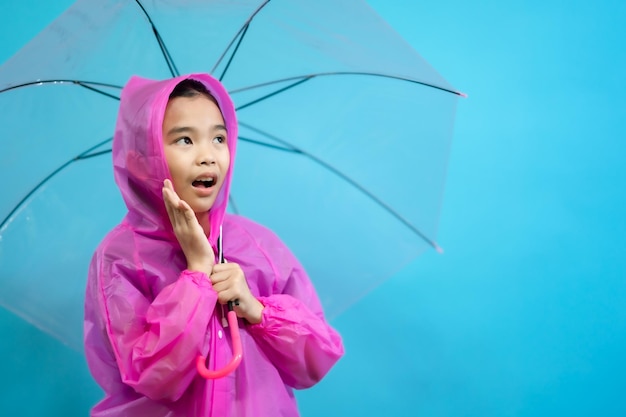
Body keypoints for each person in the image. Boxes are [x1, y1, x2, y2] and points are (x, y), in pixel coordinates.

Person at [84, 73, 344, 417]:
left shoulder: (258, 246)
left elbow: (317, 356)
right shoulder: (120, 259)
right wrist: (196, 275)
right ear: (143, 158)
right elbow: (150, 376)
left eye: (218, 138)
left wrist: (256, 309)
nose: (208, 156)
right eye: (185, 141)